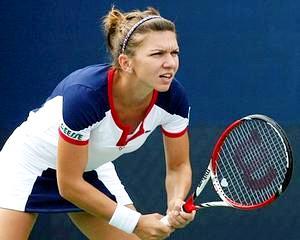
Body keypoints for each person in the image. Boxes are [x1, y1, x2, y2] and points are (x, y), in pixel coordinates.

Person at [0, 6, 196, 240]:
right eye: (157, 54)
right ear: (126, 63)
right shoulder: (86, 95)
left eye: (174, 53)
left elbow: (178, 167)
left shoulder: (173, 98)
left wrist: (176, 200)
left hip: (88, 170)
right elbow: (69, 185)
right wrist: (135, 222)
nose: (170, 63)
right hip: (29, 164)